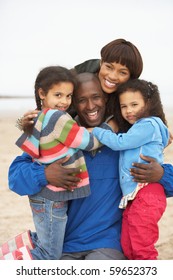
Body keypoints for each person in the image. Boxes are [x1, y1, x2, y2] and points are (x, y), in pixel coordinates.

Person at [8, 39, 173, 259]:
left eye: (97, 97)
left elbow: (160, 178)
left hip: (107, 244)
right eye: (81, 99)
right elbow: (15, 178)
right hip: (63, 244)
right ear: (72, 102)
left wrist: (161, 174)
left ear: (107, 99)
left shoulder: (124, 139)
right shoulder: (61, 136)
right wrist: (44, 174)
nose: (91, 106)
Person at [3, 67, 102, 260]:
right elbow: (87, 142)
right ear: (42, 93)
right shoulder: (58, 117)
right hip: (52, 199)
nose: (64, 101)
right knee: (48, 256)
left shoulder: (43, 115)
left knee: (44, 242)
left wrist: (20, 123)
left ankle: (13, 250)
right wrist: (107, 131)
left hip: (45, 198)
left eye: (68, 96)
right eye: (58, 95)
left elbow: (28, 129)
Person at [91, 79, 169, 259]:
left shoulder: (148, 124)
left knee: (142, 248)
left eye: (134, 104)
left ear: (148, 103)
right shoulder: (140, 127)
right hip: (135, 194)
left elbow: (121, 143)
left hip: (146, 192)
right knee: (128, 245)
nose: (129, 111)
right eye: (124, 106)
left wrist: (97, 131)